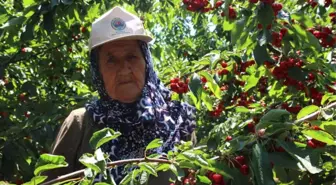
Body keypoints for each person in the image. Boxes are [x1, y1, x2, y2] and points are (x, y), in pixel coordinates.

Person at [44, 6, 197, 184]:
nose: (124, 69)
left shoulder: (179, 119)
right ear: (98, 72)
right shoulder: (81, 123)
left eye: (131, 57)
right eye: (111, 60)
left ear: (146, 62)